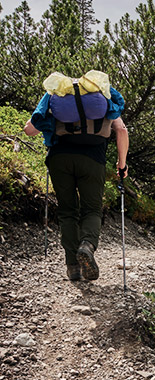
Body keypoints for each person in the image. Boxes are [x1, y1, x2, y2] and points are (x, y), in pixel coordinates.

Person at [24, 71, 128, 281]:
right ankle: (87, 245)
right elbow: (122, 130)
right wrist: (121, 164)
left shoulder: (55, 95)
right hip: (92, 160)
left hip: (60, 159)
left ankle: (73, 267)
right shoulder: (104, 94)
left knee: (67, 211)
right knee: (91, 209)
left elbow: (29, 130)